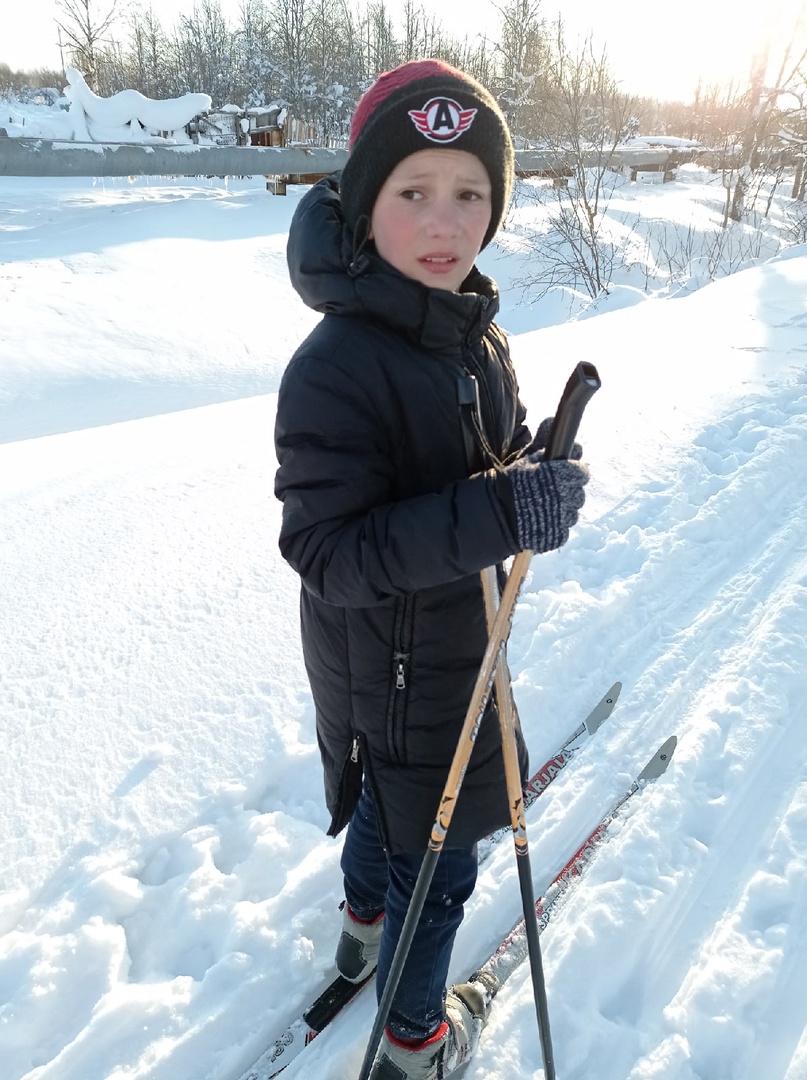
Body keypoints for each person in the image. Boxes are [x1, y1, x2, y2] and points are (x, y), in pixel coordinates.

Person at [274, 59, 589, 1080]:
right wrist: (499, 510)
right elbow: (327, 552)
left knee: (385, 805)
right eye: (414, 192)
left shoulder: (468, 326)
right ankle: (414, 1044)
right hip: (401, 669)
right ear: (367, 207)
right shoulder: (335, 366)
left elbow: (466, 467)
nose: (444, 222)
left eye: (470, 194)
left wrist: (524, 471)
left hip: (436, 650)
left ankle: (363, 932)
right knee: (441, 865)